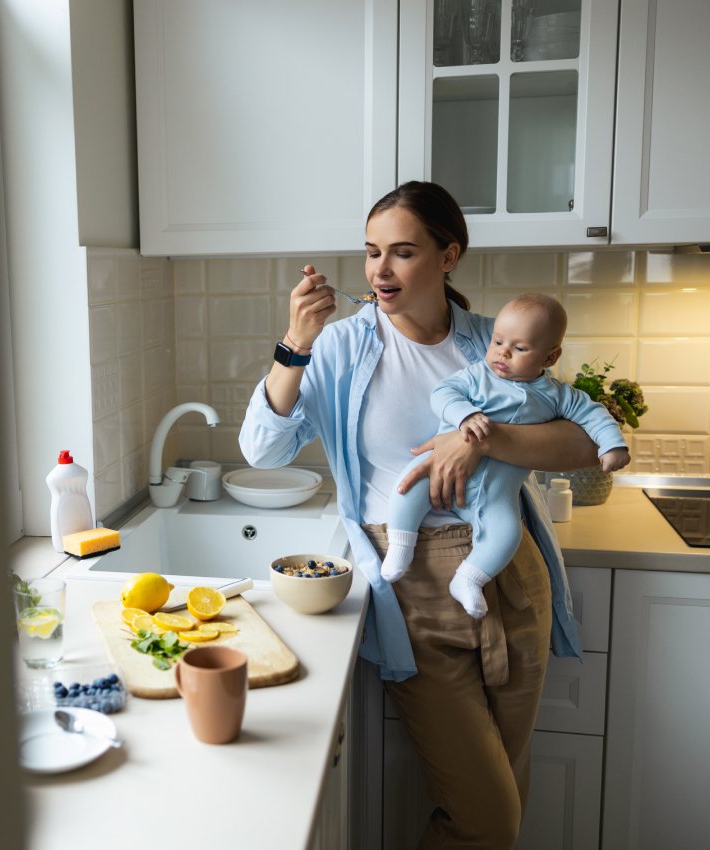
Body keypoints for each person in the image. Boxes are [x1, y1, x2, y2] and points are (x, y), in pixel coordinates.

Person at [239, 181, 599, 848]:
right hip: (411, 586)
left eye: (402, 252)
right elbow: (261, 448)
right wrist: (295, 341)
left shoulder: (498, 344)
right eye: (372, 252)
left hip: (511, 572)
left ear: (448, 255)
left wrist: (474, 437)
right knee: (487, 818)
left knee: (507, 797)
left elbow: (583, 442)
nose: (380, 270)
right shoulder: (341, 346)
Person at [380, 292, 630, 618]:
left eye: (520, 348)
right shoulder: (476, 376)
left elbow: (594, 416)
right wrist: (464, 416)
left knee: (507, 533)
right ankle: (401, 547)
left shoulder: (558, 395)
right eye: (497, 342)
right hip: (439, 470)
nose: (503, 352)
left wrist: (613, 445)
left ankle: (469, 579)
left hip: (496, 495)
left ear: (550, 357)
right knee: (407, 488)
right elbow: (443, 393)